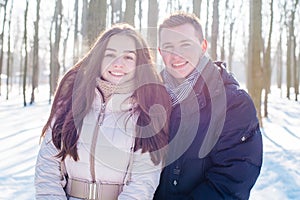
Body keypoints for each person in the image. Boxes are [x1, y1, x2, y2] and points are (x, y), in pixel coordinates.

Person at [35, 24, 171, 200]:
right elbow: (47, 166)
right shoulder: (71, 102)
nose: (118, 64)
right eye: (110, 55)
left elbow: (144, 181)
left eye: (128, 57)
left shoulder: (148, 112)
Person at [153, 12, 263, 200]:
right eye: (168, 47)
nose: (176, 55)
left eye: (185, 45)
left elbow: (231, 181)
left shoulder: (234, 103)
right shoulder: (150, 99)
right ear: (160, 51)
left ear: (203, 46)